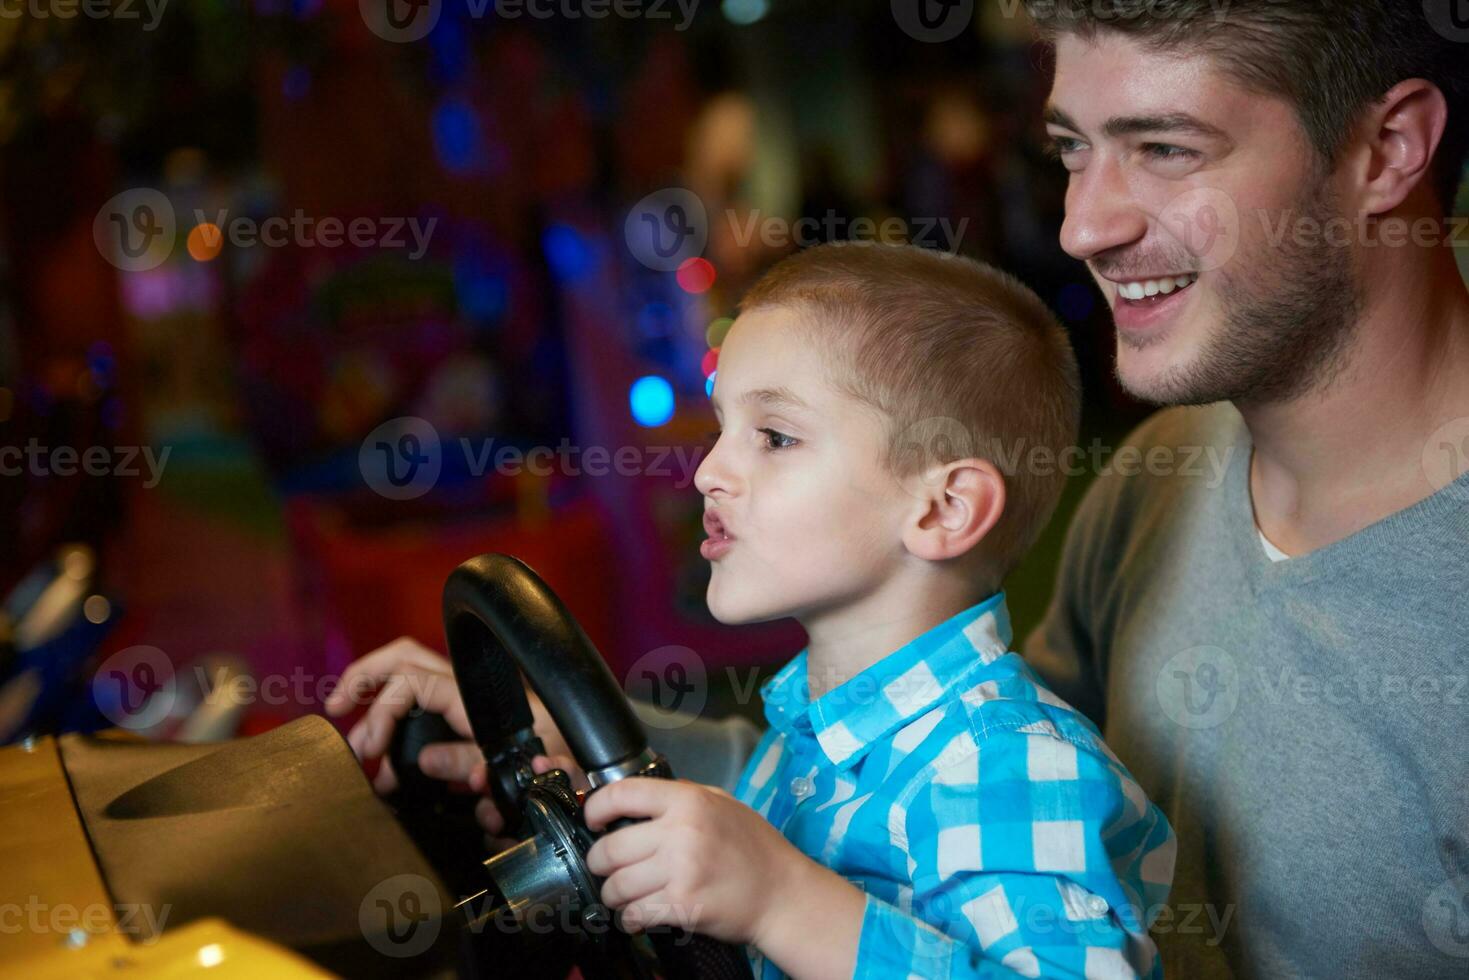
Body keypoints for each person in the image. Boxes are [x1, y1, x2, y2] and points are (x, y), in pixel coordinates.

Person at [328, 242, 1176, 978]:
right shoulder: (808, 726)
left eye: (773, 438)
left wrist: (783, 901)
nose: (707, 474)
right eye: (721, 431)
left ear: (941, 510)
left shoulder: (1008, 768)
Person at [1020, 2, 1469, 976]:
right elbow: (974, 790)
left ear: (1386, 149)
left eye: (1166, 150)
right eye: (1071, 149)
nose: (1082, 224)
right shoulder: (1152, 479)